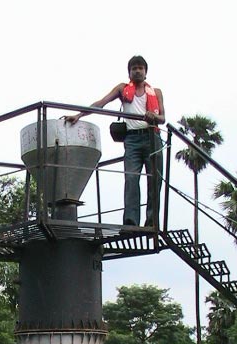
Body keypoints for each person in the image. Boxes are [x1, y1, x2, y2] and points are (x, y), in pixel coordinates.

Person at [65, 55, 165, 227]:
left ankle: (152, 222)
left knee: (155, 181)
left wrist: (154, 117)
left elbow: (162, 118)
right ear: (129, 72)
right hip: (132, 139)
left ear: (146, 72)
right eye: (134, 68)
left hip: (152, 138)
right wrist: (79, 115)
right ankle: (131, 221)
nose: (137, 71)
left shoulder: (156, 92)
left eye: (140, 68)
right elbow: (101, 103)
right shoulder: (122, 89)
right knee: (131, 179)